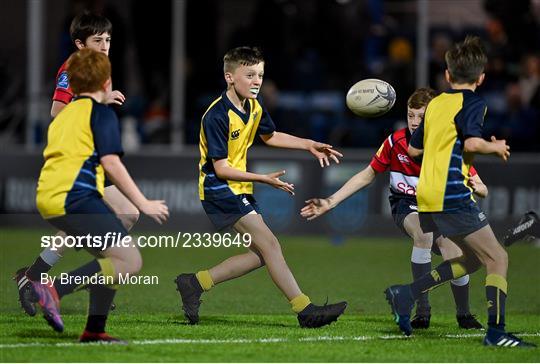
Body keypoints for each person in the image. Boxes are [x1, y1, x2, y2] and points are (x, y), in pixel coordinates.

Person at [174, 46, 347, 328]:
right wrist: (263, 178)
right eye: (250, 75)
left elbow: (270, 135)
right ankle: (305, 310)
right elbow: (220, 169)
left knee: (261, 255)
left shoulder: (253, 106)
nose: (257, 81)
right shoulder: (216, 116)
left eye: (261, 75)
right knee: (270, 245)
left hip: (238, 188)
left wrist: (308, 144)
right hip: (220, 189)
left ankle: (194, 283)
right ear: (230, 77)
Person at [384, 36, 535, 347]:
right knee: (498, 259)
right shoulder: (475, 103)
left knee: (473, 259)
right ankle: (496, 333)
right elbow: (470, 143)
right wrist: (493, 146)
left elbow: (413, 151)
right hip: (452, 193)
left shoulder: (437, 103)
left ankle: (407, 293)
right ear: (481, 77)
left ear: (448, 76)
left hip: (426, 195)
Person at [300, 88, 484, 330]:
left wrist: (478, 186)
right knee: (423, 233)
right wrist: (331, 201)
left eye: (421, 116)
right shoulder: (395, 141)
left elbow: (479, 184)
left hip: (438, 208)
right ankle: (422, 310)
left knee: (455, 255)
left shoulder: (448, 145)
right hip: (404, 205)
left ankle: (464, 314)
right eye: (411, 116)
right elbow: (367, 175)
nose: (415, 122)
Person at [31, 48, 168, 342]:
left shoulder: (63, 116)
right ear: (106, 81)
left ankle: (94, 329)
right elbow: (111, 163)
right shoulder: (101, 115)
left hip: (49, 197)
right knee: (130, 261)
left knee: (112, 259)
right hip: (76, 197)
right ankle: (53, 288)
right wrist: (143, 202)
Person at [14, 12, 136, 317]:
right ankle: (75, 279)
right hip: (73, 165)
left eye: (108, 39)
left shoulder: (100, 69)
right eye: (98, 40)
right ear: (81, 44)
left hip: (89, 163)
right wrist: (100, 102)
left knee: (125, 214)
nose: (105, 45)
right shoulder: (72, 67)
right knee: (119, 215)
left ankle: (36, 276)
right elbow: (57, 111)